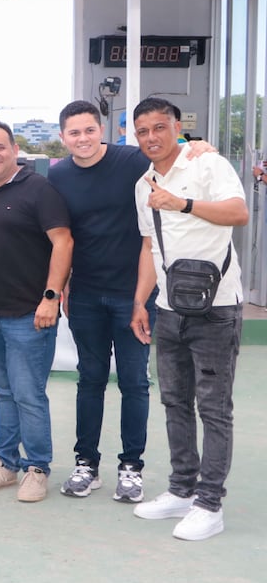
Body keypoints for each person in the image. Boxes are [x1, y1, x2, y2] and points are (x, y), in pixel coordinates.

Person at [50, 100, 215, 503]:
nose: (83, 139)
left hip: (134, 294)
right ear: (63, 138)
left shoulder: (131, 160)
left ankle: (131, 468)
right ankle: (85, 464)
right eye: (74, 133)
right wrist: (66, 283)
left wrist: (200, 145)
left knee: (134, 382)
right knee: (89, 380)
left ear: (101, 129)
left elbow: (172, 154)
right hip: (85, 294)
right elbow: (63, 236)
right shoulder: (58, 176)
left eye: (89, 130)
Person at [130, 97, 248, 541]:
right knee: (174, 401)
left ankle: (209, 504)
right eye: (142, 131)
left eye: (159, 127)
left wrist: (182, 203)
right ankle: (182, 489)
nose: (151, 137)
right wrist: (140, 302)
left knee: (214, 408)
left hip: (216, 307)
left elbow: (238, 213)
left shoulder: (207, 164)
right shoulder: (144, 183)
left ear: (177, 127)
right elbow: (149, 248)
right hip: (168, 309)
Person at [0, 121, 73, 503]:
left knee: (29, 393)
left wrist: (50, 296)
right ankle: (6, 463)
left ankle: (38, 467)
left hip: (29, 312)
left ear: (14, 150)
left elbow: (63, 242)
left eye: (0, 147)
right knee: (5, 392)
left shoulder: (39, 190)